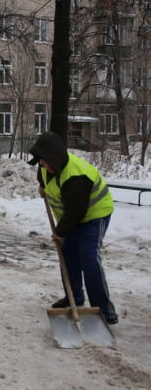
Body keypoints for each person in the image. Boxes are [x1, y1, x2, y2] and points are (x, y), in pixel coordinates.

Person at [28, 131, 118, 325]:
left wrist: (60, 233)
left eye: (46, 162)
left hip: (94, 215)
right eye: (41, 162)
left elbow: (75, 213)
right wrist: (42, 186)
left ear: (57, 158)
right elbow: (43, 176)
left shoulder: (76, 176)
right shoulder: (45, 166)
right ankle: (74, 298)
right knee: (68, 256)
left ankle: (103, 310)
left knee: (88, 255)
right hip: (72, 217)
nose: (43, 165)